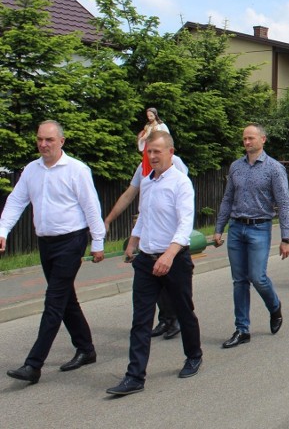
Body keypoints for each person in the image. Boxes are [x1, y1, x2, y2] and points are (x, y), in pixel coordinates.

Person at [0, 121, 105, 385]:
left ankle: (33, 365)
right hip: (46, 242)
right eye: (40, 139)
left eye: (49, 140)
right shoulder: (31, 170)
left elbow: (91, 206)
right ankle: (86, 349)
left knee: (54, 301)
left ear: (62, 141)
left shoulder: (76, 170)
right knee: (66, 298)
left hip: (72, 240)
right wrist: (2, 230)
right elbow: (16, 201)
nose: (43, 144)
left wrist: (98, 241)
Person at [106, 131, 202, 396]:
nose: (152, 156)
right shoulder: (147, 182)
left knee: (184, 311)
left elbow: (185, 225)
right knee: (141, 320)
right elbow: (144, 216)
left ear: (170, 152)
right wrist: (133, 242)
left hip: (174, 260)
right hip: (146, 261)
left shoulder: (181, 183)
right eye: (149, 152)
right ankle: (134, 376)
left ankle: (193, 355)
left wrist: (169, 256)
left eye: (157, 151)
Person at [214, 124, 289, 349]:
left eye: (251, 138)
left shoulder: (274, 169)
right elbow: (228, 199)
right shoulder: (236, 167)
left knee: (257, 277)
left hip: (259, 227)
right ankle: (242, 329)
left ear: (263, 139)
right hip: (237, 228)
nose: (247, 142)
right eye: (244, 139)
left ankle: (274, 306)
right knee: (239, 280)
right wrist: (219, 228)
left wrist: (286, 238)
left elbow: (284, 204)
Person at [103, 155, 190, 340]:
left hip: (171, 242)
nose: (150, 155)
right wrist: (111, 221)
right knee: (151, 287)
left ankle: (178, 323)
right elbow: (130, 195)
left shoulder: (176, 165)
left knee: (176, 293)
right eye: (146, 149)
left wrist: (173, 248)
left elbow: (182, 203)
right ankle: (166, 319)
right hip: (150, 243)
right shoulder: (144, 168)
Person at [136, 108, 169, 177]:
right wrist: (144, 138)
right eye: (148, 116)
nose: (149, 118)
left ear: (155, 115)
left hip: (158, 147)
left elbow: (167, 137)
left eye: (151, 116)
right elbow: (143, 138)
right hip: (148, 147)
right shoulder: (148, 127)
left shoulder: (161, 126)